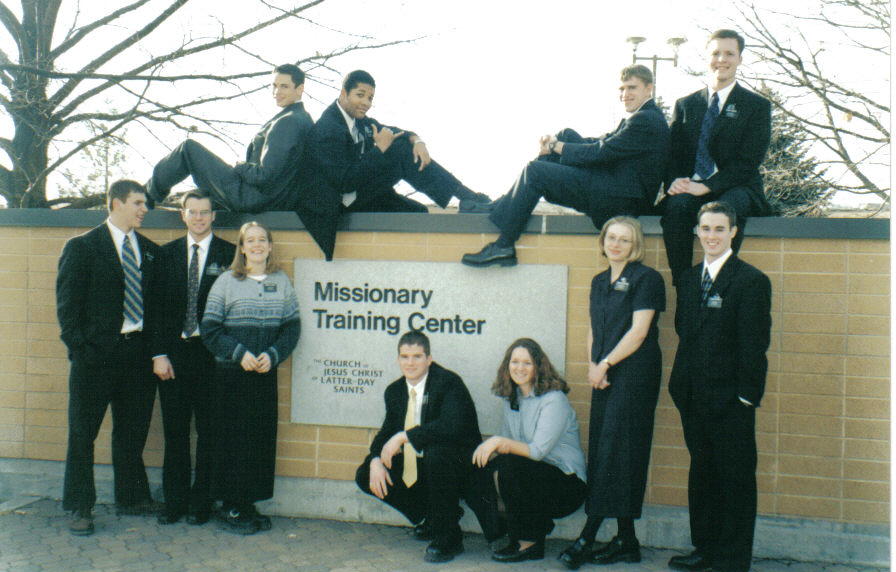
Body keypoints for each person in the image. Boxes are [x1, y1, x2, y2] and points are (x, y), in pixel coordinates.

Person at [462, 65, 670, 268]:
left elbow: (601, 152)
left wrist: (556, 146)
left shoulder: (646, 120)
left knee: (535, 171)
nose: (625, 94)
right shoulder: (644, 116)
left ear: (649, 88)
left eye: (632, 88)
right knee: (566, 134)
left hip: (620, 200)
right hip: (614, 186)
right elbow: (602, 142)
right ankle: (504, 205)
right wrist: (559, 142)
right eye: (622, 89)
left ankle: (504, 244)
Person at [557, 217, 665, 569]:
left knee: (616, 451)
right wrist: (593, 364)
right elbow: (594, 328)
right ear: (603, 241)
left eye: (625, 239)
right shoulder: (599, 281)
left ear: (636, 245)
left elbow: (638, 332)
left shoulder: (647, 279)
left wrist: (604, 364)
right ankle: (627, 541)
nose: (616, 244)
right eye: (612, 238)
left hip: (633, 373)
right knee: (609, 449)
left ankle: (587, 536)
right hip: (604, 373)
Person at [668, 202, 771, 572]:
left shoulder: (751, 281)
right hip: (693, 398)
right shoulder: (689, 279)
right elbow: (686, 334)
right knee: (702, 474)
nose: (711, 236)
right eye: (705, 228)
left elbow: (754, 345)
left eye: (719, 229)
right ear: (697, 232)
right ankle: (705, 549)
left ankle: (731, 560)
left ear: (733, 232)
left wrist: (745, 398)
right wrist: (682, 389)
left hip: (731, 402)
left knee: (735, 480)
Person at [56, 180, 160, 536]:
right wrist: (82, 351)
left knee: (131, 433)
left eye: (145, 204)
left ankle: (131, 498)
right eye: (138, 203)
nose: (144, 209)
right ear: (116, 203)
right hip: (95, 359)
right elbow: (67, 309)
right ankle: (80, 506)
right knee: (82, 434)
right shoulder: (82, 247)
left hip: (137, 357)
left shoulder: (149, 251)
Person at [355, 331, 501, 563]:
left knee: (436, 453)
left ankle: (448, 539)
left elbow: (451, 426)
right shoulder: (394, 391)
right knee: (365, 473)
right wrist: (375, 460)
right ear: (398, 359)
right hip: (425, 465)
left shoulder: (448, 382)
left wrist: (404, 437)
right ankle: (433, 516)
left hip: (459, 464)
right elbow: (386, 431)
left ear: (429, 359)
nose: (410, 363)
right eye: (405, 357)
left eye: (417, 356)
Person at [200, 221, 300, 534]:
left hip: (263, 374)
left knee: (258, 441)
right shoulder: (226, 281)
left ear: (270, 246)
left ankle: (248, 502)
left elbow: (292, 327)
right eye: (250, 241)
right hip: (231, 376)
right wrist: (238, 353)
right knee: (232, 440)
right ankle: (230, 505)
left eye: (262, 240)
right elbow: (210, 328)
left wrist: (273, 355)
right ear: (242, 248)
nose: (257, 245)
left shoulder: (281, 281)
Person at [149, 190, 236, 526]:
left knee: (210, 433)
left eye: (204, 212)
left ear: (214, 215)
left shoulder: (230, 254)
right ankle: (175, 502)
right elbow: (155, 308)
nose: (199, 218)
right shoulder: (165, 254)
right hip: (173, 357)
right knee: (175, 433)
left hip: (211, 357)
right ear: (182, 215)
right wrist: (159, 354)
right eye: (192, 212)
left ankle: (201, 503)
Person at [661, 29, 772, 287]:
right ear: (707, 57)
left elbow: (748, 162)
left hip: (736, 188)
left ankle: (720, 286)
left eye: (729, 54)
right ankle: (685, 287)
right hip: (692, 187)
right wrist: (675, 181)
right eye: (715, 53)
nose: (721, 59)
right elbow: (672, 155)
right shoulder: (686, 104)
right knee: (676, 207)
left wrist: (708, 186)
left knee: (725, 210)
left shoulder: (756, 106)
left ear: (740, 59)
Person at [312, 69, 490, 216]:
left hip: (362, 192)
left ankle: (470, 200)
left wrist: (417, 141)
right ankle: (469, 199)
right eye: (360, 95)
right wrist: (379, 150)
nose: (366, 103)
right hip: (341, 202)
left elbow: (395, 133)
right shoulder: (328, 127)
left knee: (418, 212)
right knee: (401, 150)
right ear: (344, 93)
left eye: (370, 98)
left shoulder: (360, 121)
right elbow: (344, 182)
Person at [472, 338, 587, 563]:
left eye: (527, 363)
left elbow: (537, 452)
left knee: (511, 466)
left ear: (538, 367)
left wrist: (497, 442)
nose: (520, 368)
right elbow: (508, 448)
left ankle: (530, 543)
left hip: (567, 485)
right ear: (507, 366)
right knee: (480, 468)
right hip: (533, 476)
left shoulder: (554, 399)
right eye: (515, 362)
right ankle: (502, 532)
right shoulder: (512, 398)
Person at [146, 64, 315, 215]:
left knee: (188, 150)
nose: (276, 92)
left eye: (284, 86)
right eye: (274, 86)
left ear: (300, 89)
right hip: (273, 199)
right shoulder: (304, 119)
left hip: (253, 198)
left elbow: (264, 176)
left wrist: (240, 166)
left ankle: (145, 197)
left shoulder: (287, 122)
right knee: (193, 193)